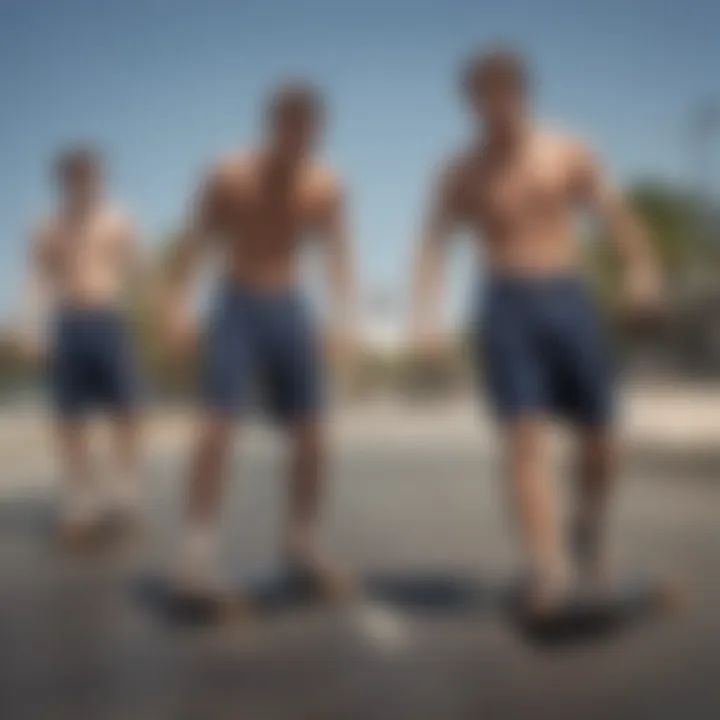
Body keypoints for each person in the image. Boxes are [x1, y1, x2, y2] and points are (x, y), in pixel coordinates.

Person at [411, 49, 662, 616]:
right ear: (471, 105)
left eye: (505, 95)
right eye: (483, 99)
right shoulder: (461, 171)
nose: (495, 108)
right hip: (504, 304)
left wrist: (642, 270)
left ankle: (588, 527)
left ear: (523, 93)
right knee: (524, 436)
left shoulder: (568, 151)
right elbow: (433, 243)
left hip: (569, 296)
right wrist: (426, 318)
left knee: (601, 436)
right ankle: (548, 567)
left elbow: (615, 216)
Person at [163, 82, 355, 599]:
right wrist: (177, 305)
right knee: (215, 428)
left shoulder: (324, 185)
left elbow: (338, 255)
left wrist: (342, 319)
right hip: (236, 305)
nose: (299, 137)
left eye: (309, 129)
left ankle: (302, 546)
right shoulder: (230, 174)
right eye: (289, 126)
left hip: (290, 307)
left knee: (312, 433)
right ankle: (196, 556)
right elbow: (195, 239)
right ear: (273, 126)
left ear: (318, 131)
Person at [16, 148, 145, 544]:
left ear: (100, 180)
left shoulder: (118, 221)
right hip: (68, 323)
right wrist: (33, 330)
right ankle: (80, 500)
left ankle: (124, 491)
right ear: (63, 182)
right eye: (75, 177)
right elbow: (36, 279)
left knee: (127, 409)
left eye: (91, 177)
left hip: (108, 320)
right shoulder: (47, 227)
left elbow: (137, 266)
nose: (85, 184)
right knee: (70, 418)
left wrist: (133, 310)